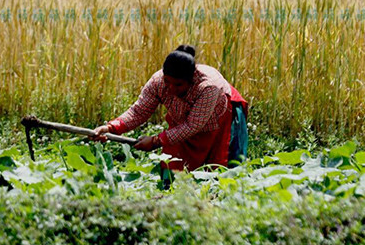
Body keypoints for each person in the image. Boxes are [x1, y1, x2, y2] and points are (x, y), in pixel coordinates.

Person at [92, 44, 249, 170]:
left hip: (218, 122)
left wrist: (155, 141)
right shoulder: (158, 82)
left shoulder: (208, 87)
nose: (171, 89)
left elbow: (192, 126)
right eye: (168, 82)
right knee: (174, 166)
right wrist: (111, 128)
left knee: (216, 171)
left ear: (191, 80)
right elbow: (139, 111)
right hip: (182, 125)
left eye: (178, 84)